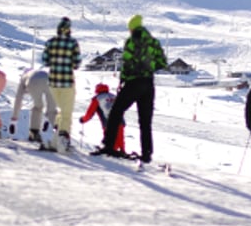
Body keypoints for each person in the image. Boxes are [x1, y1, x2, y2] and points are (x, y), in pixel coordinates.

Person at [95, 14, 167, 163]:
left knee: (116, 112)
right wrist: (150, 68)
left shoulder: (131, 42)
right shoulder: (153, 42)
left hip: (133, 83)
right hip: (148, 84)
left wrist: (123, 80)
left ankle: (109, 146)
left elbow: (127, 64)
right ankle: (146, 154)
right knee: (145, 121)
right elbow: (162, 62)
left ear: (132, 28)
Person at [41, 16, 81, 151]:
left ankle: (54, 139)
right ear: (69, 30)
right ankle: (63, 142)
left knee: (59, 112)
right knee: (66, 113)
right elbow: (77, 64)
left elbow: (45, 61)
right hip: (67, 83)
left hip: (53, 82)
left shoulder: (50, 42)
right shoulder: (73, 43)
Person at [10, 67, 58, 145]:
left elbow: (18, 99)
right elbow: (52, 104)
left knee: (38, 107)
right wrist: (47, 119)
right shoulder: (35, 71)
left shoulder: (23, 78)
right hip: (49, 79)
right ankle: (61, 135)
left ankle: (34, 132)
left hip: (33, 81)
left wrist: (13, 120)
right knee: (52, 109)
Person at [80, 83, 125, 153]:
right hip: (120, 120)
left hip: (108, 121)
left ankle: (110, 150)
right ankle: (122, 150)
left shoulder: (97, 98)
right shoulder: (114, 96)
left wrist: (83, 119)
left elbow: (90, 113)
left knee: (109, 137)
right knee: (120, 137)